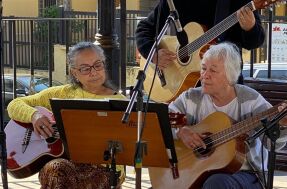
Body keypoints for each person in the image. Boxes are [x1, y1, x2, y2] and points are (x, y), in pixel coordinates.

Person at [7, 41, 125, 189]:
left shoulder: (121, 102)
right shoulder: (63, 93)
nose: (93, 72)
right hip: (62, 165)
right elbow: (14, 105)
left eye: (97, 65)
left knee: (58, 172)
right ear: (74, 73)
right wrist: (34, 116)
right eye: (85, 68)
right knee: (55, 169)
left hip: (105, 168)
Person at [169, 42, 287, 189]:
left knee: (217, 183)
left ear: (229, 76)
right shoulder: (191, 97)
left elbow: (272, 143)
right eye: (203, 68)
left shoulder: (250, 99)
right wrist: (181, 131)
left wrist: (281, 124)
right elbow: (164, 119)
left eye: (213, 70)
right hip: (197, 171)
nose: (205, 75)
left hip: (247, 173)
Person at [135, 0, 265, 83]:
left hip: (226, 87)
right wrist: (153, 54)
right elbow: (144, 28)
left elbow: (254, 42)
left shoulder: (239, 2)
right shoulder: (174, 2)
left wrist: (250, 28)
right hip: (184, 88)